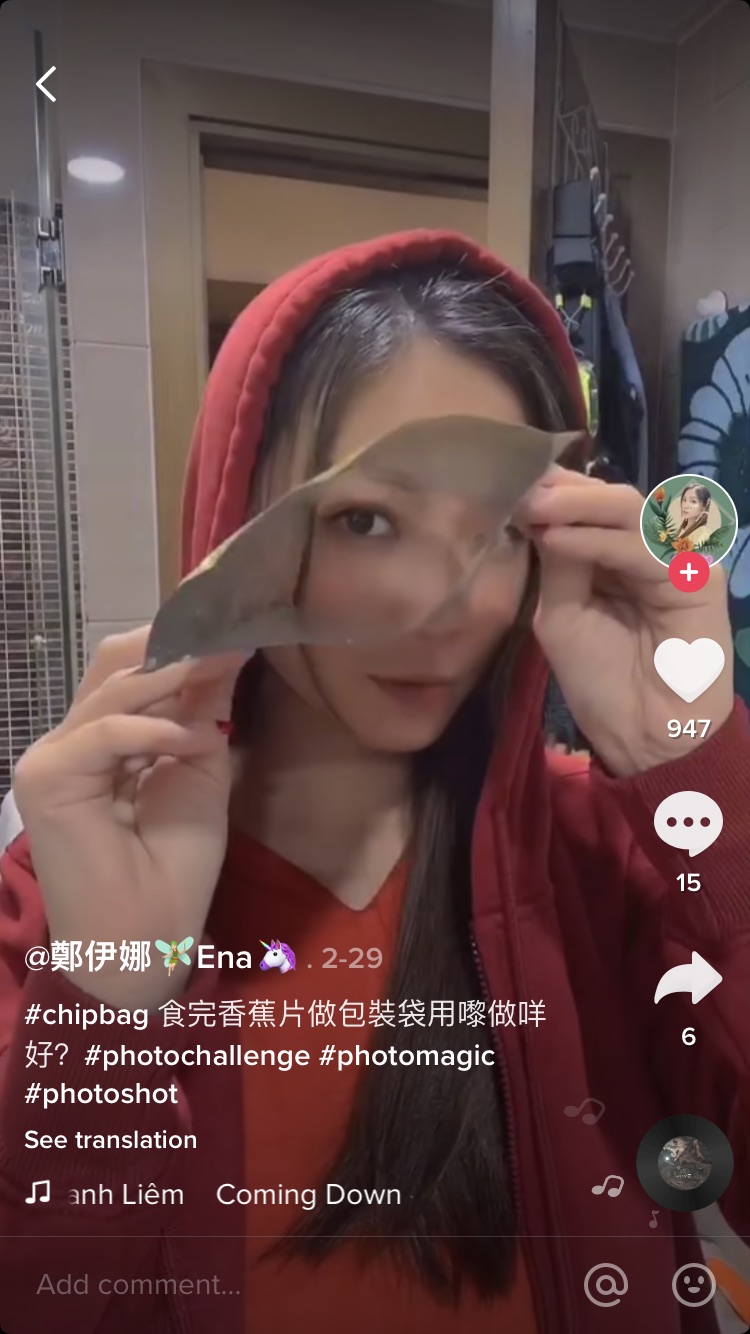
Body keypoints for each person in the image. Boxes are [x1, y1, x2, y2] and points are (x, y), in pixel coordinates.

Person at [0, 230, 748, 1334]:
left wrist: (702, 780)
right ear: (238, 529)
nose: (440, 607)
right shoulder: (63, 890)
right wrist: (112, 994)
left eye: (495, 531)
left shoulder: (606, 855)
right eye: (364, 520)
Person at [676, 482, 712, 547]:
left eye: (693, 501)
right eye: (684, 500)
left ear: (704, 506)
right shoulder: (682, 528)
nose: (686, 506)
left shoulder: (702, 534)